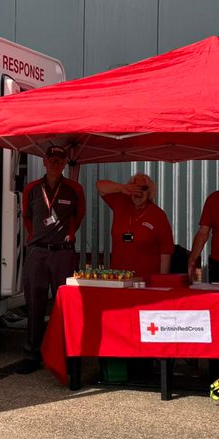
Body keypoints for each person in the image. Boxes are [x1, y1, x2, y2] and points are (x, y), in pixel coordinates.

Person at [20, 144, 85, 373]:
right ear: (44, 162)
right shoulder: (31, 189)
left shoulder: (74, 189)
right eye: (51, 159)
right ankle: (32, 354)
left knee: (64, 305)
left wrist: (68, 234)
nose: (55, 163)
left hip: (63, 254)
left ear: (65, 163)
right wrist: (37, 238)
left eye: (60, 159)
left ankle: (65, 353)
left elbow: (79, 216)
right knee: (35, 304)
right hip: (37, 252)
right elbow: (28, 218)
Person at [95, 172, 174, 276]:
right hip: (119, 278)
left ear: (150, 192)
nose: (138, 192)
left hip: (146, 281)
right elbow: (100, 186)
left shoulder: (158, 215)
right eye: (135, 188)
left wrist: (162, 281)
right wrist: (122, 188)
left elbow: (166, 251)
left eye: (143, 189)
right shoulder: (121, 203)